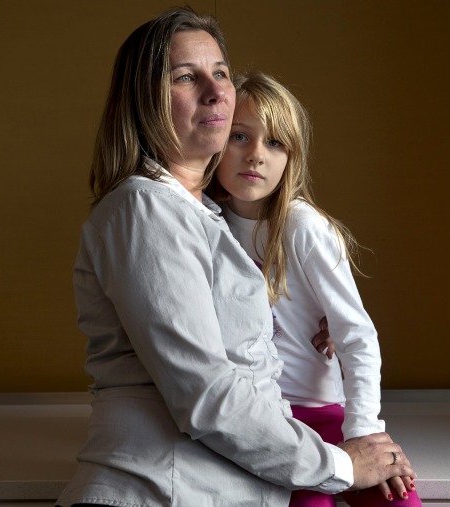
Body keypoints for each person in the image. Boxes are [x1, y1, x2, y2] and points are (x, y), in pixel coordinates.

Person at [56, 7, 414, 507]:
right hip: (161, 491)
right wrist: (342, 464)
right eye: (186, 76)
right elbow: (205, 393)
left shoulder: (206, 216)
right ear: (144, 100)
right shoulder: (145, 208)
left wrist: (312, 319)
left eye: (220, 72)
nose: (216, 89)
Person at [213, 72, 422, 507]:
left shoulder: (301, 226)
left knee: (399, 501)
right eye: (239, 136)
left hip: (325, 414)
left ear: (292, 157)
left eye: (275, 143)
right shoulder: (204, 226)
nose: (255, 155)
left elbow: (356, 335)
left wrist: (365, 432)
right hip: (264, 426)